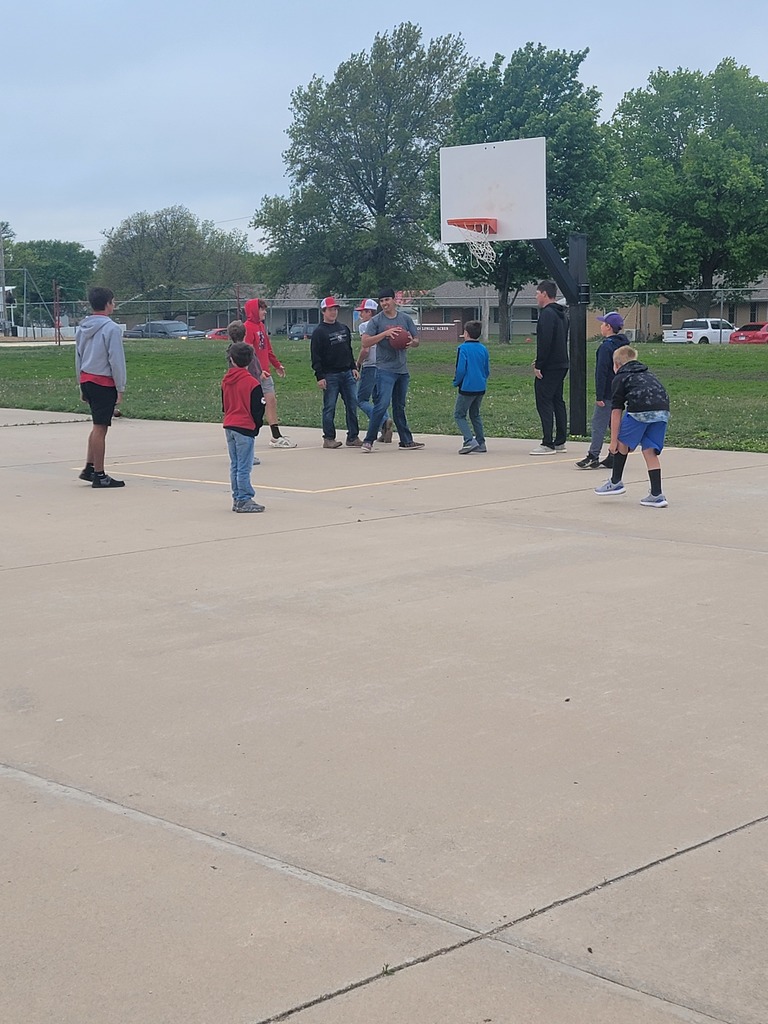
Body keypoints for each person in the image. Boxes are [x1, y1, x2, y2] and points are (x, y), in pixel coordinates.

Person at [594, 345, 670, 507]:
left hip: (639, 411)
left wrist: (613, 441)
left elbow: (616, 411)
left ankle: (615, 482)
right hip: (662, 411)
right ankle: (657, 495)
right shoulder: (648, 373)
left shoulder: (620, 378)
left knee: (622, 442)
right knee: (650, 450)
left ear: (616, 365)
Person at [359, 287, 424, 452]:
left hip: (402, 370)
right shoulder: (376, 321)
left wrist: (411, 342)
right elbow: (365, 342)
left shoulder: (405, 319)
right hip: (384, 369)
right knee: (382, 404)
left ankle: (406, 441)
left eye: (387, 300)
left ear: (394, 300)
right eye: (381, 301)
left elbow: (416, 340)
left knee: (399, 406)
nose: (384, 303)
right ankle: (368, 440)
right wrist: (385, 334)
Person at [75, 286, 127, 488]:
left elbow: (78, 357)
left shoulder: (82, 327)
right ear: (108, 304)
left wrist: (81, 384)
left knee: (97, 425)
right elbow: (116, 360)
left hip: (87, 379)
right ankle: (99, 474)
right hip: (103, 381)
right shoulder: (111, 328)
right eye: (113, 302)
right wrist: (120, 387)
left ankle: (90, 467)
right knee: (100, 428)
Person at [576, 312, 629, 470]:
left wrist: (599, 395)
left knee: (598, 423)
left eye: (603, 324)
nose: (601, 326)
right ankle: (615, 455)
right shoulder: (624, 346)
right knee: (614, 424)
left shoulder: (606, 347)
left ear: (608, 327)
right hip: (621, 389)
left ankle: (593, 455)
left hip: (607, 392)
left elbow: (601, 372)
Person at [243, 298, 296, 449]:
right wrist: (257, 373)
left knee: (271, 402)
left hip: (265, 373)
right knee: (253, 408)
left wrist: (277, 365)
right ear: (254, 311)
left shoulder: (261, 326)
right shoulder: (248, 328)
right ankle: (245, 436)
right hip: (254, 376)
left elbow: (267, 349)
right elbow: (247, 355)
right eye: (261, 309)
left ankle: (276, 436)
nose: (264, 312)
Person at [310, 297, 362, 448]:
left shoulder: (343, 328)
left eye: (335, 309)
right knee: (330, 406)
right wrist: (320, 376)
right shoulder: (319, 332)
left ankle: (353, 436)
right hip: (330, 375)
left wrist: (353, 367)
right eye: (330, 309)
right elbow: (316, 356)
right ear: (323, 311)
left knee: (352, 404)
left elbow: (348, 350)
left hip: (347, 373)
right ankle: (329, 437)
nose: (333, 312)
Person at [222, 340, 266, 513]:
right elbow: (258, 408)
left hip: (230, 424)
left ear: (232, 360)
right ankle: (244, 498)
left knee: (235, 464)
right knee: (244, 466)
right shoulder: (252, 383)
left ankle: (237, 497)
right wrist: (256, 426)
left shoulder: (226, 380)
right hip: (244, 427)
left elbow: (224, 405)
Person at [529, 280, 569, 455]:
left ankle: (548, 443)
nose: (536, 296)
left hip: (550, 365)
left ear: (544, 294)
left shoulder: (546, 314)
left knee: (544, 400)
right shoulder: (562, 315)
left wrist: (539, 364)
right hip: (562, 363)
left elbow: (545, 342)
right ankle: (560, 441)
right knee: (557, 400)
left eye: (537, 293)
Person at [355, 298, 394, 443]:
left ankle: (383, 420)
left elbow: (365, 349)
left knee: (361, 399)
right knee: (379, 399)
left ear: (370, 312)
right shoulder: (383, 324)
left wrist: (358, 363)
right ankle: (385, 431)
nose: (361, 314)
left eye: (364, 311)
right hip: (384, 365)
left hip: (370, 365)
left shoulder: (365, 326)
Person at [452, 320, 490, 454]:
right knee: (475, 414)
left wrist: (456, 381)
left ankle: (469, 440)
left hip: (467, 387)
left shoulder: (463, 348)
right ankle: (481, 442)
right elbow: (486, 369)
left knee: (459, 414)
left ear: (466, 334)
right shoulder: (483, 349)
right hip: (480, 386)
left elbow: (461, 369)